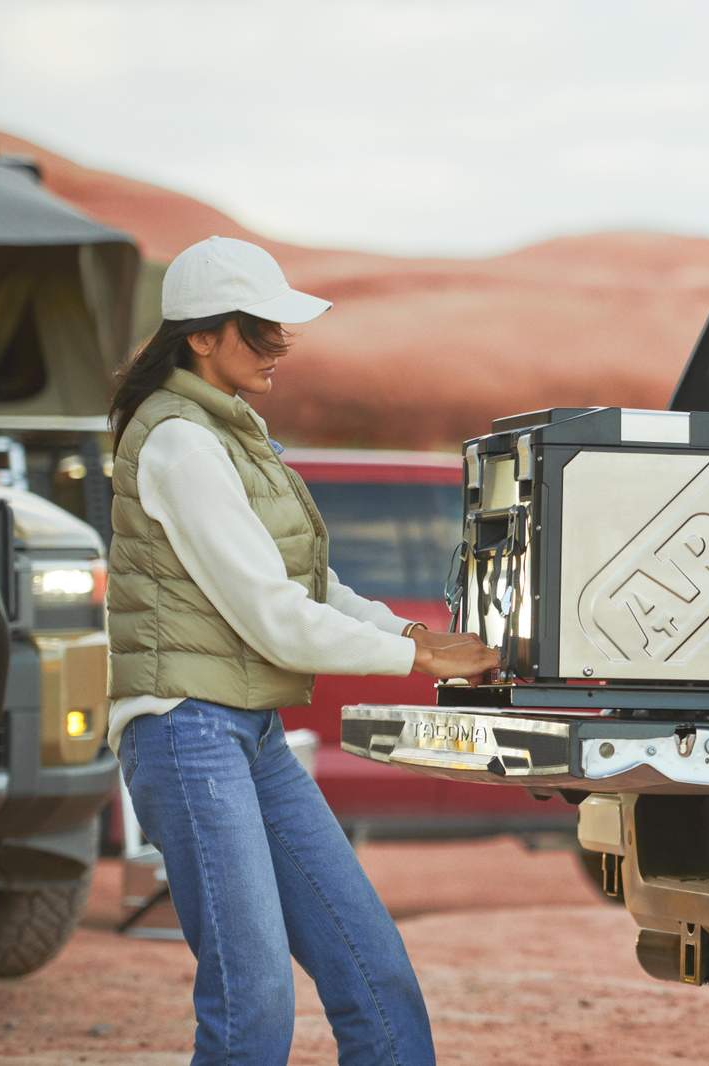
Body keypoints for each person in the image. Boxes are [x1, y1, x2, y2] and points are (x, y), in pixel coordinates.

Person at [106, 235, 495, 1065]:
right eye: (260, 331)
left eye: (281, 331)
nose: (279, 349)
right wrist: (417, 663)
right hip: (184, 730)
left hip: (248, 731)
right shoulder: (179, 442)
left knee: (376, 978)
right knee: (253, 1002)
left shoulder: (237, 434)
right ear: (201, 336)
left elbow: (314, 584)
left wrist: (415, 634)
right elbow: (275, 619)